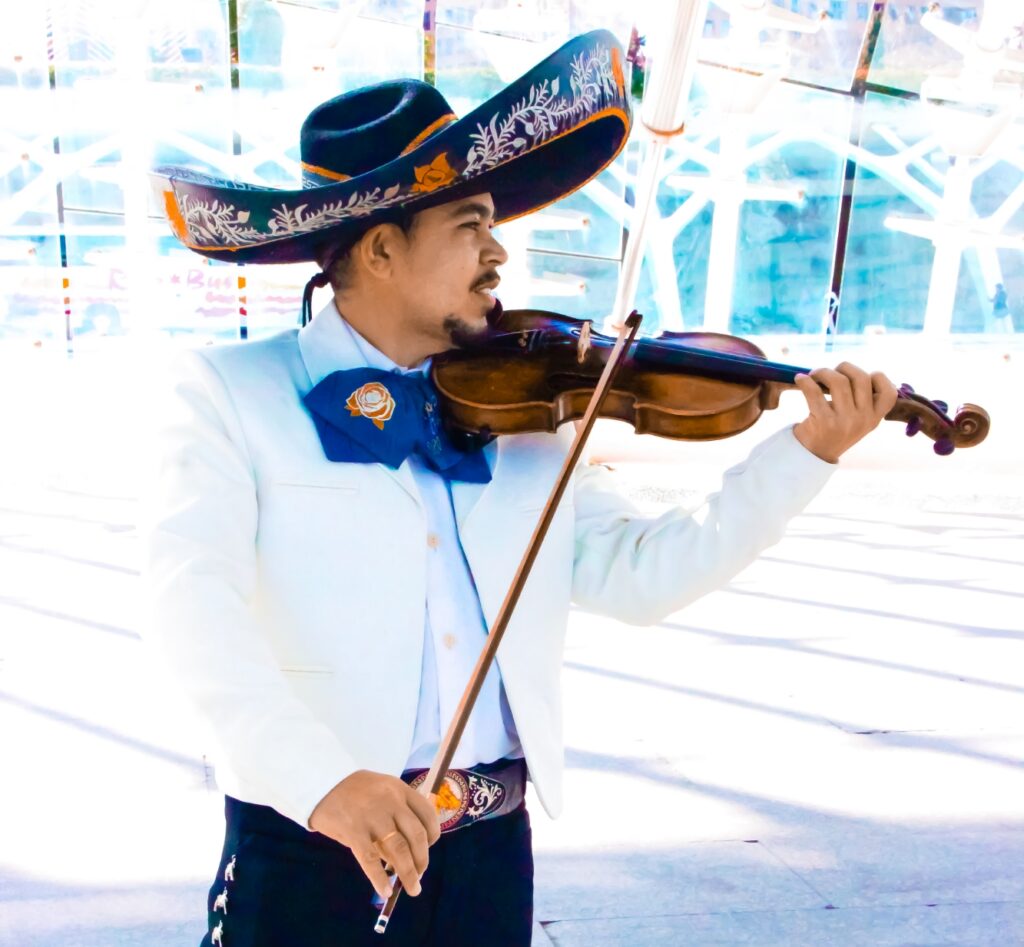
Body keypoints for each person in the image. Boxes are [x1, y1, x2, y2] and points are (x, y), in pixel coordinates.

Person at [142, 30, 898, 947]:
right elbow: (194, 613)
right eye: (470, 227)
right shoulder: (232, 394)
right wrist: (321, 782)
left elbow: (643, 573)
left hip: (490, 854)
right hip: (313, 840)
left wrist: (805, 452)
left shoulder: (529, 409)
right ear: (380, 249)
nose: (497, 255)